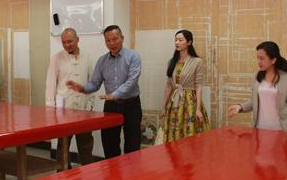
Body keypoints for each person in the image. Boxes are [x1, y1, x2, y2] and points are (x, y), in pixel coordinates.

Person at [67, 25, 142, 159]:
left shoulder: (133, 56)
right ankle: (113, 172)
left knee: (132, 145)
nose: (112, 43)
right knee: (109, 144)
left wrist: (114, 95)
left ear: (122, 38)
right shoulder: (102, 61)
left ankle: (132, 172)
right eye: (108, 40)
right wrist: (83, 88)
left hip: (131, 105)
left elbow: (132, 81)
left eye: (115, 39)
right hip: (111, 106)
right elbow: (95, 83)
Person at [45, 28, 95, 165]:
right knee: (63, 145)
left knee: (86, 144)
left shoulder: (87, 56)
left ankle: (88, 171)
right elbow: (50, 84)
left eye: (70, 41)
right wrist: (50, 109)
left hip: (84, 110)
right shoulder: (56, 58)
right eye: (64, 42)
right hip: (64, 110)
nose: (67, 45)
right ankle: (62, 171)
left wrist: (90, 103)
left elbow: (91, 81)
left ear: (77, 40)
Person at [228, 41, 287, 131]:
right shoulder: (256, 77)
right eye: (257, 58)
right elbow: (254, 101)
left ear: (273, 60)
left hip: (281, 129)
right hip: (260, 128)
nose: (258, 62)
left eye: (262, 58)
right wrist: (240, 107)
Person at [160, 29, 211, 143]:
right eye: (176, 40)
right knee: (174, 135)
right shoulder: (172, 62)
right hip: (174, 103)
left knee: (190, 135)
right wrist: (163, 106)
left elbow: (198, 86)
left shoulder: (197, 62)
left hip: (190, 102)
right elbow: (169, 86)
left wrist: (198, 109)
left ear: (189, 42)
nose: (177, 42)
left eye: (180, 40)